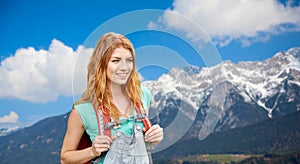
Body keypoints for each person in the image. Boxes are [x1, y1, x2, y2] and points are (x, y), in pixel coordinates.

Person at [60, 32, 164, 164]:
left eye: (129, 60)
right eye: (115, 61)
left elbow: (143, 145)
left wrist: (154, 137)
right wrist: (92, 151)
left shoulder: (143, 95)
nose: (124, 68)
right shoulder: (83, 110)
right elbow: (65, 158)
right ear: (101, 64)